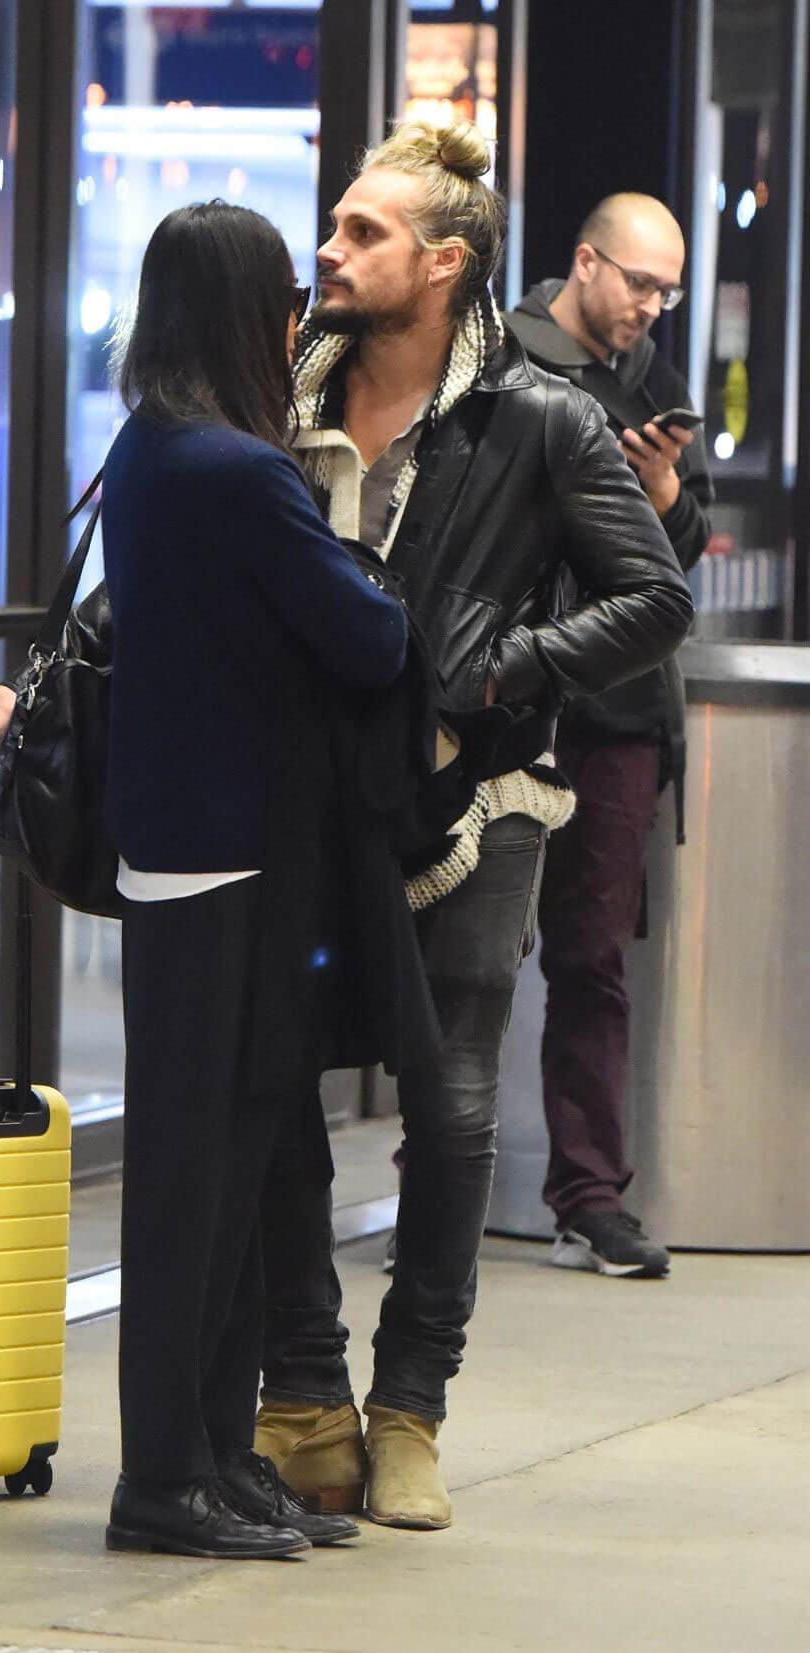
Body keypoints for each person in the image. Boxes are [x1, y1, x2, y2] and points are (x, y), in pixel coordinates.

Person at [0, 200, 443, 1559]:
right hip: (220, 858)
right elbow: (365, 636)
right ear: (251, 314)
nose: (300, 318)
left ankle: (221, 1456)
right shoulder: (233, 470)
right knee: (194, 1176)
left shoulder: (153, 449)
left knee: (232, 1161)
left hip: (196, 848)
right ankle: (163, 1479)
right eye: (285, 297)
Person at [253, 123, 694, 1531]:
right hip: (310, 792)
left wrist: (504, 668)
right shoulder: (280, 397)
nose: (331, 250)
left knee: (447, 1110)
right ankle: (307, 1396)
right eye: (335, 225)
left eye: (363, 233)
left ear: (443, 265)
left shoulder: (538, 418)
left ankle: (411, 1409)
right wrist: (37, 687)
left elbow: (657, 597)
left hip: (481, 796)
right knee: (278, 1092)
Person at [505, 195, 713, 1280]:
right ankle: (434, 1182)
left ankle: (590, 1195)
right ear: (583, 262)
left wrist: (664, 489)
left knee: (593, 959)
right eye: (638, 282)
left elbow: (687, 537)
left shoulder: (656, 384)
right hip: (508, 698)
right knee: (465, 957)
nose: (649, 305)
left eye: (666, 289)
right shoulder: (506, 359)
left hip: (621, 710)